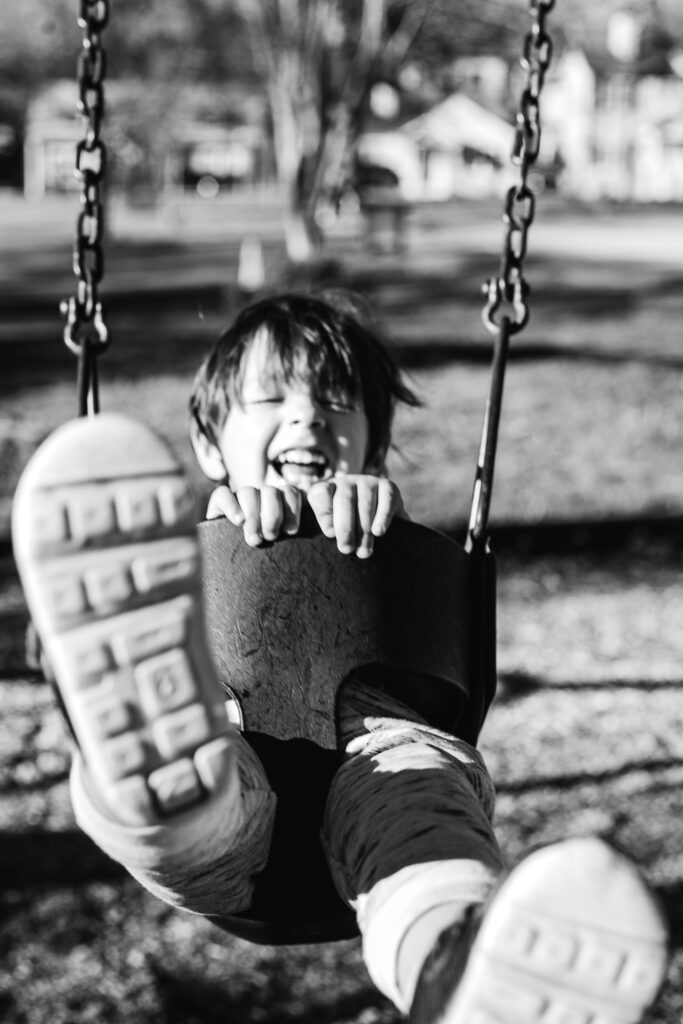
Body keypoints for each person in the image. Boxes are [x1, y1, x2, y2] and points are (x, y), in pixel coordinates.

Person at [12, 292, 668, 1023]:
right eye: (270, 397)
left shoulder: (376, 514)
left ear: (372, 450)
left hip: (383, 754)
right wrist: (228, 514)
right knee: (198, 775)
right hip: (229, 778)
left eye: (335, 401)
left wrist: (374, 518)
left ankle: (453, 967)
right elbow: (223, 519)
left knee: (424, 815)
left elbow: (420, 614)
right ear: (209, 445)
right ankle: (147, 775)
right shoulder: (189, 544)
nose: (306, 416)